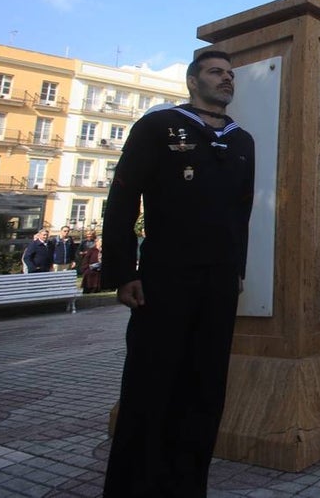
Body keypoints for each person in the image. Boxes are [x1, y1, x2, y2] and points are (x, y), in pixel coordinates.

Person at [101, 49, 256, 496]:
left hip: (220, 282)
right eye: (215, 72)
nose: (226, 80)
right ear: (192, 81)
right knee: (151, 385)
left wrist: (238, 270)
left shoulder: (242, 139)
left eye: (230, 74)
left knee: (205, 389)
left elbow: (241, 212)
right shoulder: (157, 126)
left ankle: (188, 486)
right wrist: (122, 271)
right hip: (164, 279)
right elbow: (123, 199)